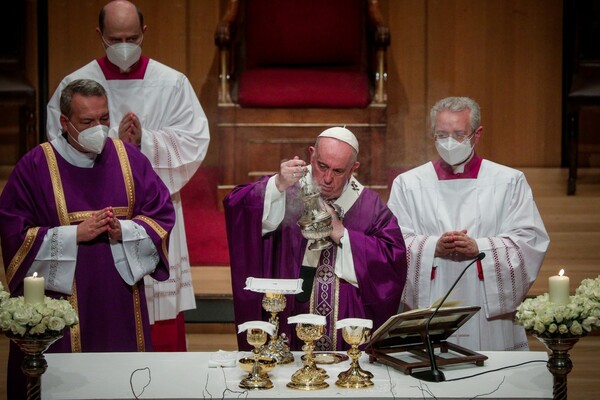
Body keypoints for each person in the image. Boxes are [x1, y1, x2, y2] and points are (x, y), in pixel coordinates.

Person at [46, 0, 210, 351]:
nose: (124, 45)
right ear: (100, 35)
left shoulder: (172, 82)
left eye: (131, 37)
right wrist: (115, 149)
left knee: (159, 309)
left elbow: (194, 140)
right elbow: (59, 148)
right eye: (115, 37)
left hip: (153, 209)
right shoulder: (74, 84)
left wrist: (143, 143)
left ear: (144, 34)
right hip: (94, 210)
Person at [0, 79, 175, 399]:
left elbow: (161, 216)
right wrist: (73, 234)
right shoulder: (36, 166)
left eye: (104, 118)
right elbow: (14, 234)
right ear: (64, 122)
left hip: (119, 301)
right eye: (87, 121)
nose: (99, 128)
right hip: (59, 306)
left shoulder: (130, 159)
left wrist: (126, 230)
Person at [387, 96, 550, 352]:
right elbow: (393, 243)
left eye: (458, 134)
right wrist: (433, 247)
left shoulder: (508, 181)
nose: (449, 142)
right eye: (442, 134)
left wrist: (480, 247)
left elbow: (530, 239)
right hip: (433, 297)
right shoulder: (409, 184)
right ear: (433, 135)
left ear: (477, 134)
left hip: (487, 305)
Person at [224, 127, 407, 351]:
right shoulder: (288, 186)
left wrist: (341, 233)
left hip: (343, 320)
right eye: (322, 166)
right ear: (312, 154)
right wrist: (277, 186)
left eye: (339, 171)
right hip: (290, 309)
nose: (327, 179)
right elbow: (237, 206)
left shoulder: (368, 205)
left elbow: (392, 259)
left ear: (354, 168)